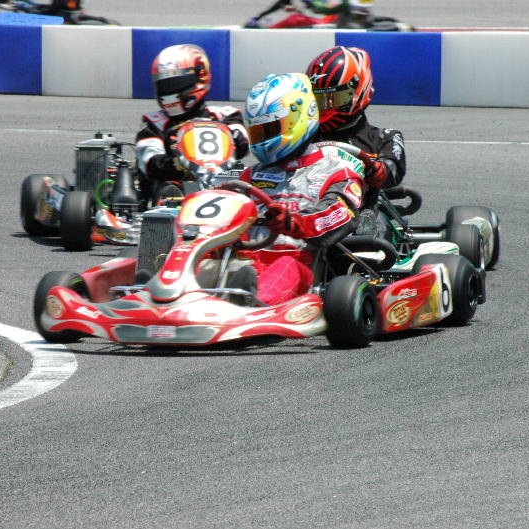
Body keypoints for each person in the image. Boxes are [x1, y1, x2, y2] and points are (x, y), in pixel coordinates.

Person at [238, 72, 367, 305]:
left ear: (298, 119)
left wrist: (293, 222)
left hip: (301, 267)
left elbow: (339, 215)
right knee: (213, 262)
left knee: (286, 266)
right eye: (257, 132)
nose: (263, 138)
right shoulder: (249, 176)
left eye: (269, 129)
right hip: (246, 264)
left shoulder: (338, 171)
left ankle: (251, 306)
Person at [135, 44, 249, 201]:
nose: (169, 90)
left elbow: (243, 145)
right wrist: (180, 163)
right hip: (176, 191)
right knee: (168, 189)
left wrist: (232, 138)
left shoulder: (226, 115)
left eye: (175, 83)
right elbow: (150, 163)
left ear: (199, 77)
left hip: (224, 182)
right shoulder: (154, 123)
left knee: (251, 177)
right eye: (164, 85)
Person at [306, 45, 406, 193]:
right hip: (305, 203)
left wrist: (375, 169)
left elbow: (391, 172)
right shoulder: (304, 138)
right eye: (318, 100)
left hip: (359, 204)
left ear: (358, 91)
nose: (324, 108)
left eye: (332, 99)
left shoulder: (385, 138)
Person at [245, 0, 375, 29]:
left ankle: (268, 28)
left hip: (331, 25)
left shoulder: (346, 2)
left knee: (296, 19)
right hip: (331, 20)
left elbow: (324, 9)